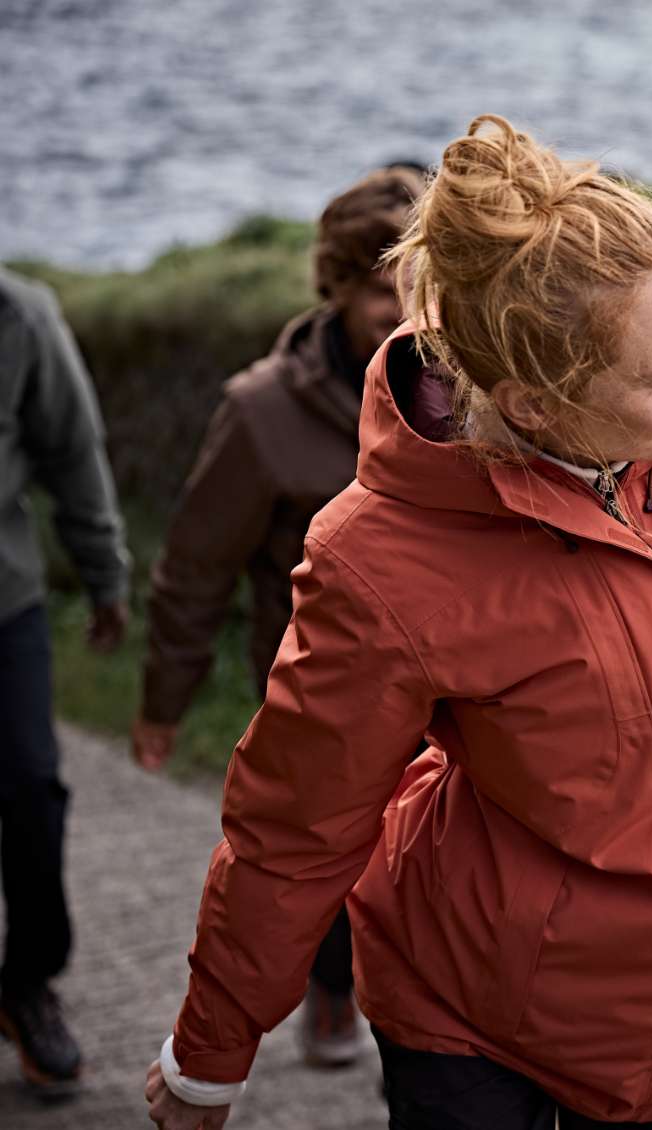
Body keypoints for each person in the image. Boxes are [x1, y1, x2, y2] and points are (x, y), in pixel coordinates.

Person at [140, 115, 652, 1129]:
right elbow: (292, 828)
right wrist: (209, 1054)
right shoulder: (379, 555)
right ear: (529, 403)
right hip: (466, 1008)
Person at [132, 164, 426, 1071]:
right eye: (379, 291)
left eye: (414, 284)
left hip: (447, 686)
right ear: (335, 286)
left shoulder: (462, 381)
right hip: (319, 691)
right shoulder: (260, 412)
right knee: (329, 854)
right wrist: (162, 705)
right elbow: (194, 571)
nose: (401, 309)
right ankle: (333, 991)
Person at [0, 266, 131, 1101]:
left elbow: (73, 455)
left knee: (31, 791)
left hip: (4, 610)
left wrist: (104, 575)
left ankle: (27, 982)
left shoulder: (22, 319)